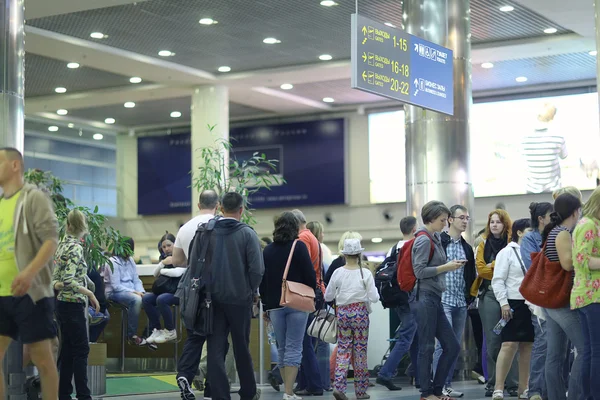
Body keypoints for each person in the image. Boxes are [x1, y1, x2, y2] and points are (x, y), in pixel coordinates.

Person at [0, 148, 59, 400]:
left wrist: (28, 273)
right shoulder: (1, 204)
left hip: (31, 292)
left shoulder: (33, 197)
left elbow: (51, 240)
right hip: (2, 293)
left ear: (15, 165)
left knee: (42, 358)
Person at [205, 192, 264, 400]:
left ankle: (219, 394)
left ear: (220, 208)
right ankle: (247, 392)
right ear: (242, 209)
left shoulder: (208, 232)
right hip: (239, 299)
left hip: (212, 299)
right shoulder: (248, 234)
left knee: (215, 347)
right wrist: (250, 290)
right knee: (241, 346)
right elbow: (257, 269)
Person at [261, 211, 317, 400]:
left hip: (275, 305)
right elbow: (310, 274)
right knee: (295, 347)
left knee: (283, 347)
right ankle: (289, 392)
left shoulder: (267, 250)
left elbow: (263, 280)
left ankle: (287, 390)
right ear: (294, 227)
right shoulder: (298, 246)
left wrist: (266, 304)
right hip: (297, 302)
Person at [412, 201, 462, 400]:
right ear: (431, 219)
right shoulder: (424, 240)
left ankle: (436, 389)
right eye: (442, 220)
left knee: (452, 346)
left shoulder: (435, 238)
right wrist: (446, 267)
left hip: (434, 298)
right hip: (425, 297)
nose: (445, 224)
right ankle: (426, 392)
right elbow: (419, 271)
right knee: (426, 346)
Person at [173, 190, 219, 400]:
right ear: (217, 205)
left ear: (199, 204)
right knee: (217, 339)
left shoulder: (185, 228)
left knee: (195, 335)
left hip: (193, 289)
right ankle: (212, 387)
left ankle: (184, 374)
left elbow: (177, 261)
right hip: (217, 287)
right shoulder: (221, 224)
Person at [540, 193, 585, 400]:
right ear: (575, 211)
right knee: (585, 349)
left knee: (555, 355)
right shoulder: (563, 233)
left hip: (550, 299)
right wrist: (586, 257)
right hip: (560, 301)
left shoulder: (553, 231)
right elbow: (567, 264)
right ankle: (575, 396)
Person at [53, 209, 100, 400]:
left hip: (61, 305)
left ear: (68, 225)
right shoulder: (76, 248)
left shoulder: (62, 245)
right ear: (83, 227)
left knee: (68, 350)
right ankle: (83, 395)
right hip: (73, 304)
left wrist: (87, 280)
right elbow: (68, 280)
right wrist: (90, 293)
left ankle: (64, 393)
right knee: (81, 350)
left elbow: (57, 278)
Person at [471, 210, 519, 397]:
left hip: (511, 295)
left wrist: (493, 266)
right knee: (493, 341)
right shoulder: (483, 244)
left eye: (498, 222)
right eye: (492, 222)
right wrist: (499, 266)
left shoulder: (512, 245)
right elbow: (481, 270)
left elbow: (511, 272)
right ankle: (493, 383)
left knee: (511, 340)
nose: (495, 225)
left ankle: (513, 383)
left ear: (505, 224)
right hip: (489, 297)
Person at [325, 238, 379, 400]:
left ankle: (339, 386)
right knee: (360, 351)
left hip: (342, 313)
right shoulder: (366, 273)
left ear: (344, 254)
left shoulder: (338, 272)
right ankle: (361, 391)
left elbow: (328, 296)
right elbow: (374, 297)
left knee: (343, 349)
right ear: (359, 254)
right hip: (360, 313)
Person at [432, 205, 477, 398]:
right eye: (461, 217)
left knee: (454, 345)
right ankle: (437, 386)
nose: (465, 221)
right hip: (443, 300)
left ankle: (446, 384)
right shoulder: (439, 242)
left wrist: (469, 297)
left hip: (460, 301)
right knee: (443, 345)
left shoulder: (466, 247)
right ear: (450, 219)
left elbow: (470, 275)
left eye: (467, 218)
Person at [490, 219, 534, 400]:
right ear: (520, 232)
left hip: (531, 304)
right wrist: (503, 303)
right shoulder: (506, 252)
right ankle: (498, 388)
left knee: (528, 347)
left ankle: (524, 388)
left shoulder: (533, 251)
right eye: (530, 230)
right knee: (508, 344)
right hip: (512, 303)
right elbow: (498, 279)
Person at [376, 216, 418, 391]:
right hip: (410, 297)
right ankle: (385, 374)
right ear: (414, 230)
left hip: (397, 298)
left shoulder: (393, 248)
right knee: (407, 337)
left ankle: (417, 372)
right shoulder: (414, 247)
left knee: (416, 335)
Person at [519, 202, 553, 400]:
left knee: (557, 345)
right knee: (542, 341)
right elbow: (533, 266)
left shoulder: (557, 234)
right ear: (541, 219)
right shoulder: (529, 239)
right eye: (551, 215)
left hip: (557, 295)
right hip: (538, 298)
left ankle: (552, 389)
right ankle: (535, 390)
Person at [291, 209, 324, 396]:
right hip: (316, 293)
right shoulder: (311, 236)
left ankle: (314, 384)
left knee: (304, 343)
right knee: (308, 342)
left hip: (305, 294)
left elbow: (302, 269)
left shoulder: (302, 239)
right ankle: (305, 384)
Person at [571, 186, 600, 398]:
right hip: (591, 296)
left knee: (591, 351)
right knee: (595, 352)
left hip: (589, 295)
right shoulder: (589, 224)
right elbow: (582, 261)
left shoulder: (591, 224)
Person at [104, 238, 149, 346]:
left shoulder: (131, 261)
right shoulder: (112, 262)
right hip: (114, 293)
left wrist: (141, 291)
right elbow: (116, 286)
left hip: (131, 292)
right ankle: (131, 335)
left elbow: (136, 280)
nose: (128, 252)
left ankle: (148, 333)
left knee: (152, 299)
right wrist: (134, 292)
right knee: (137, 300)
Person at [144, 232, 185, 344]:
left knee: (161, 299)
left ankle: (170, 330)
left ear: (175, 244)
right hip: (166, 290)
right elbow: (154, 273)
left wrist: (163, 270)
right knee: (146, 299)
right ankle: (157, 329)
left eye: (169, 245)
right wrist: (162, 263)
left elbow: (179, 273)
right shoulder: (164, 259)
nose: (166, 249)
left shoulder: (183, 256)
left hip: (179, 292)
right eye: (163, 247)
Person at [307, 220, 333, 392]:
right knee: (323, 340)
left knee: (308, 341)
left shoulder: (304, 247)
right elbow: (326, 274)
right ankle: (324, 381)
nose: (324, 235)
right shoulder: (322, 249)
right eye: (322, 232)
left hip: (307, 298)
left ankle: (311, 380)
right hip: (320, 299)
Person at [521, 102, 567, 194]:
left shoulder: (524, 138)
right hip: (553, 191)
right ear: (553, 116)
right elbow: (564, 156)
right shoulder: (558, 136)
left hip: (531, 190)